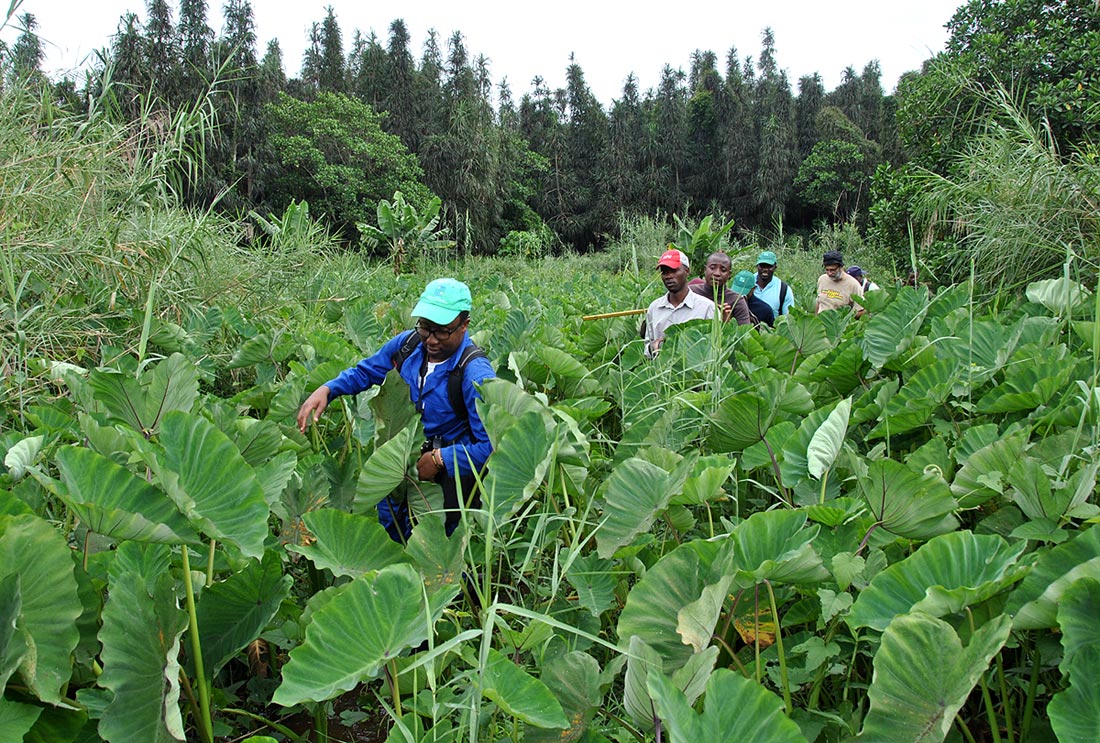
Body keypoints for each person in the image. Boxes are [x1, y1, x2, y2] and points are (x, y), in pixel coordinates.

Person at [297, 278, 494, 541]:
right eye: (426, 327)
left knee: (436, 548)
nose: (431, 340)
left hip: (448, 481)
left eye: (442, 331)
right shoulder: (409, 345)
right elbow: (366, 372)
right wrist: (329, 389)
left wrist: (441, 459)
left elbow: (491, 447)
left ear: (464, 325)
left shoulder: (475, 374)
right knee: (390, 538)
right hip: (398, 461)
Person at [645, 248, 715, 355]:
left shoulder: (707, 308)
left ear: (687, 271)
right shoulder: (654, 308)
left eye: (674, 270)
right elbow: (647, 346)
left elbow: (716, 347)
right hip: (662, 369)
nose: (668, 276)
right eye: (664, 272)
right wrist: (652, 347)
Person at [688, 252, 753, 325]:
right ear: (705, 269)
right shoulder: (690, 292)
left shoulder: (736, 301)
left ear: (729, 275)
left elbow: (744, 332)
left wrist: (727, 322)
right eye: (712, 268)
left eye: (723, 270)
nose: (717, 273)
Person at [815, 250, 865, 314]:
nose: (829, 273)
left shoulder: (853, 284)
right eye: (827, 270)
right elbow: (819, 303)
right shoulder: (822, 279)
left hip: (838, 322)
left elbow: (861, 311)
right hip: (821, 321)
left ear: (841, 267)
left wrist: (846, 318)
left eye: (833, 270)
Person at [754, 251, 794, 324]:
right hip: (747, 331)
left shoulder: (783, 289)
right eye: (762, 265)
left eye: (769, 266)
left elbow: (788, 320)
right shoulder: (746, 283)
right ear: (757, 266)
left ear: (775, 267)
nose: (765, 269)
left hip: (771, 332)